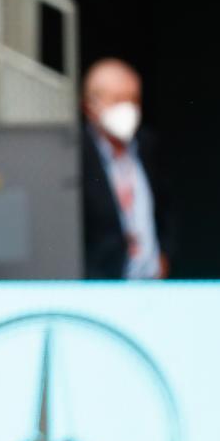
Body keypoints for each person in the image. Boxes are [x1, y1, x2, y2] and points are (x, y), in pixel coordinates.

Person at [81, 58, 175, 279]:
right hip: (102, 286)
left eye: (133, 100)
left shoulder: (148, 146)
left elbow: (167, 208)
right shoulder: (76, 156)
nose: (128, 108)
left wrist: (165, 257)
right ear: (89, 106)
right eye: (118, 100)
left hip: (151, 284)